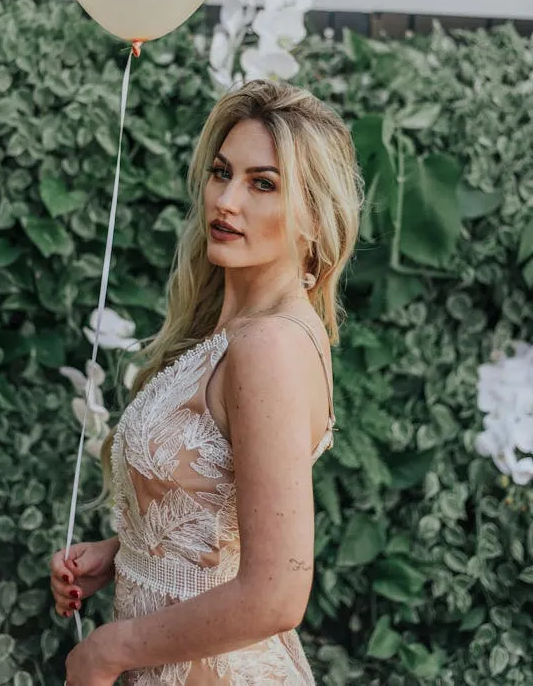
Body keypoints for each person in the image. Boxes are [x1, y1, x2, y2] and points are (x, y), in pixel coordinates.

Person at [50, 79, 362, 685]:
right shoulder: (253, 330)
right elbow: (225, 525)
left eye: (263, 184)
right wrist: (125, 557)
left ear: (316, 218)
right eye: (223, 173)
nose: (227, 200)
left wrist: (109, 650)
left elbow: (276, 594)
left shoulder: (267, 347)